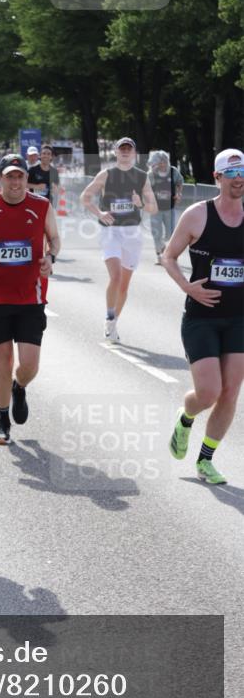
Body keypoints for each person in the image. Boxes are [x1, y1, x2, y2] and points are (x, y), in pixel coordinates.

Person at [0, 153, 60, 444]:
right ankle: (3, 418)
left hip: (31, 295)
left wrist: (50, 256)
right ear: (1, 179)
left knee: (29, 364)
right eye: (9, 176)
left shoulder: (42, 206)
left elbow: (54, 239)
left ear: (26, 179)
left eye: (19, 176)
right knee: (4, 362)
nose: (15, 181)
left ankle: (20, 387)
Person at [163, 148, 244, 485]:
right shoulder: (197, 215)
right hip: (201, 317)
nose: (239, 179)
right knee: (209, 392)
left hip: (239, 317)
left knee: (230, 392)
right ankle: (186, 417)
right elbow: (168, 257)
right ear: (217, 177)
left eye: (242, 173)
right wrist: (188, 287)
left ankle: (205, 460)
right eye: (232, 173)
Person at [80, 137, 158, 343]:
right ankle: (109, 314)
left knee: (123, 285)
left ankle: (112, 323)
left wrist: (140, 203)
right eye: (121, 149)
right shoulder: (106, 174)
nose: (125, 152)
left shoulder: (142, 177)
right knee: (115, 277)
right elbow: (85, 197)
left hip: (132, 232)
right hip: (110, 231)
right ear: (116, 152)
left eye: (128, 149)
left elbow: (153, 208)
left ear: (134, 153)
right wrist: (99, 213)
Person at [148, 151, 184, 264]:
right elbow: (146, 188)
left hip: (169, 208)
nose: (162, 164)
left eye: (164, 162)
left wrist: (178, 194)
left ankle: (167, 250)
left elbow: (179, 183)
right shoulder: (151, 174)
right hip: (155, 209)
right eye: (159, 162)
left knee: (171, 233)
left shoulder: (173, 171)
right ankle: (160, 255)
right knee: (156, 233)